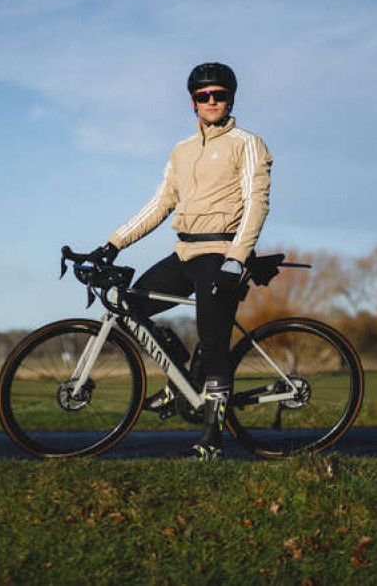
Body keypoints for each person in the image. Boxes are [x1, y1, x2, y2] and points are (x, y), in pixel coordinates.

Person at [88, 62, 272, 461]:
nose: (212, 102)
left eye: (219, 95)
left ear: (231, 98)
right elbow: (160, 203)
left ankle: (211, 440)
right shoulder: (182, 150)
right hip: (185, 251)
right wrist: (113, 243)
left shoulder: (248, 143)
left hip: (222, 253)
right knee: (131, 305)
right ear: (193, 102)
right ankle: (182, 379)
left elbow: (256, 205)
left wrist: (236, 261)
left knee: (214, 339)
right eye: (204, 96)